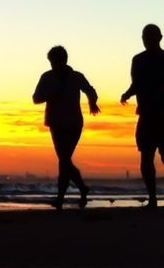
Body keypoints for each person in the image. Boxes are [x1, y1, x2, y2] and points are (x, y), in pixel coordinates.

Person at [120, 23, 164, 207]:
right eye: (145, 38)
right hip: (146, 115)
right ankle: (152, 198)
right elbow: (136, 83)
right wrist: (127, 94)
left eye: (151, 38)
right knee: (146, 157)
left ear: (160, 38)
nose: (148, 41)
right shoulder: (138, 60)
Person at [32, 46, 99, 209]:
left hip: (74, 123)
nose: (53, 65)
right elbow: (36, 98)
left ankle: (63, 197)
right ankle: (80, 189)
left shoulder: (76, 77)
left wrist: (92, 102)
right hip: (55, 122)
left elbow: (90, 90)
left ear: (63, 60)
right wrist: (50, 94)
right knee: (64, 160)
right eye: (51, 62)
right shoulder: (46, 77)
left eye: (54, 61)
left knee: (63, 160)